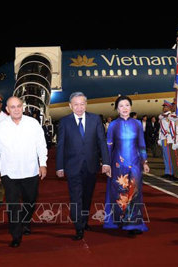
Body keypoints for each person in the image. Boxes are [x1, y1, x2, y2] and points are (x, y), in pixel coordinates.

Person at [0, 96, 47, 248]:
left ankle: (26, 221)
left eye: (18, 106)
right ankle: (16, 235)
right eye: (12, 107)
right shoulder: (1, 126)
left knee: (30, 200)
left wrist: (43, 164)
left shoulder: (33, 124)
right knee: (12, 205)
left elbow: (41, 145)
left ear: (23, 107)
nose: (16, 109)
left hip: (31, 170)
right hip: (9, 173)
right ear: (7, 110)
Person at [56, 92, 110, 241]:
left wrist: (105, 162)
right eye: (76, 104)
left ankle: (84, 221)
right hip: (72, 167)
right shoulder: (65, 122)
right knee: (76, 198)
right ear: (70, 106)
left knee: (87, 197)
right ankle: (78, 227)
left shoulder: (95, 120)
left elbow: (101, 142)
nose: (79, 107)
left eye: (82, 104)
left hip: (91, 166)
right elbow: (60, 145)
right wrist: (59, 166)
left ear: (86, 105)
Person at [104, 96, 150, 235]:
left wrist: (145, 161)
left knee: (134, 193)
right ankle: (119, 220)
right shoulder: (113, 125)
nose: (124, 108)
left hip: (135, 163)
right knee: (120, 192)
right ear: (117, 109)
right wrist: (107, 164)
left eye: (127, 105)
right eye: (121, 106)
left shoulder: (137, 124)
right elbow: (109, 146)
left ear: (131, 107)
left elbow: (141, 144)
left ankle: (133, 223)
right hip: (118, 165)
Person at [158, 100, 174, 179]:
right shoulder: (163, 116)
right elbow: (161, 129)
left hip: (167, 138)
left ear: (169, 108)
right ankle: (167, 171)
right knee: (165, 156)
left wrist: (168, 136)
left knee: (168, 156)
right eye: (164, 106)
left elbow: (170, 127)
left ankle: (170, 172)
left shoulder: (169, 116)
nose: (164, 108)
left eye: (166, 106)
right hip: (163, 138)